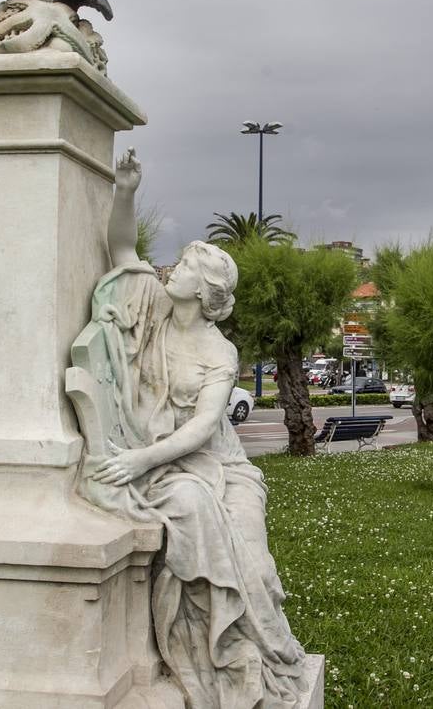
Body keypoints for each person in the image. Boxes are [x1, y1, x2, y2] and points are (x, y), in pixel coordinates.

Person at [72, 148, 307, 707]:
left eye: (186, 267)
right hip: (167, 466)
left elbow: (204, 429)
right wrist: (125, 189)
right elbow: (123, 249)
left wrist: (138, 461)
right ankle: (217, 656)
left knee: (253, 559)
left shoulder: (219, 352)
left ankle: (258, 659)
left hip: (220, 466)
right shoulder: (151, 306)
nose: (172, 268)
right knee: (194, 512)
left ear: (204, 293)